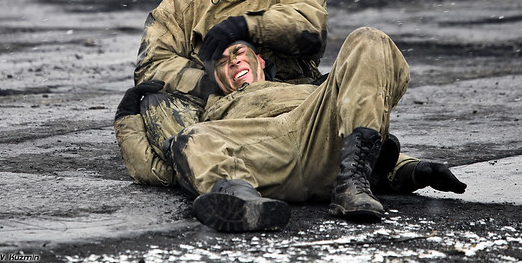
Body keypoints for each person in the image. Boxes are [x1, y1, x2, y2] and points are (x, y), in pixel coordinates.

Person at [158, 28, 467, 232]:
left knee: (369, 39)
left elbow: (354, 110)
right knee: (189, 138)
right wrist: (128, 116)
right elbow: (159, 161)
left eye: (239, 52)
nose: (233, 60)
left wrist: (410, 170)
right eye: (223, 62)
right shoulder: (212, 108)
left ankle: (353, 184)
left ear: (261, 61)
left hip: (312, 130)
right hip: (261, 151)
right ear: (217, 79)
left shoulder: (308, 90)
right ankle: (241, 202)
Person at [114, 0, 328, 187]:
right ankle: (218, 176)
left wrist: (250, 26)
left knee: (342, 96)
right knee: (156, 103)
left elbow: (311, 27)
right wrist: (208, 82)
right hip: (215, 105)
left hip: (288, 91)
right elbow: (153, 64)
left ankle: (394, 168)